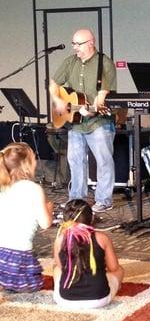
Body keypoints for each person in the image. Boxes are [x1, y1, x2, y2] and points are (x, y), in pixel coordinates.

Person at [49, 28, 117, 213]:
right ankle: (76, 200)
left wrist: (93, 109)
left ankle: (104, 200)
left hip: (98, 122)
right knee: (75, 161)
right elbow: (54, 84)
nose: (74, 48)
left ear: (90, 43)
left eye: (78, 44)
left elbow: (102, 96)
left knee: (103, 161)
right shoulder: (70, 62)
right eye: (73, 44)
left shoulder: (105, 63)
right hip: (76, 123)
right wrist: (58, 102)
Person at [0, 142, 53, 292]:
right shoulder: (33, 189)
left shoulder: (2, 185)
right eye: (34, 159)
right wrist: (49, 210)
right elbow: (45, 223)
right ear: (26, 165)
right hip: (17, 256)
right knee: (30, 286)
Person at [53, 199, 124, 309]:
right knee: (119, 270)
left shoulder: (60, 239)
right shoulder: (102, 238)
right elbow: (114, 268)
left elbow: (61, 268)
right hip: (99, 298)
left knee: (56, 269)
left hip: (66, 299)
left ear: (65, 219)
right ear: (91, 218)